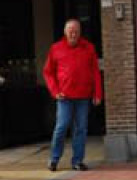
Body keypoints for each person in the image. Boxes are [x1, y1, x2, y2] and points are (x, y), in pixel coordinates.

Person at [43, 19, 103, 171]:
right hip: (64, 97)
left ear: (80, 32)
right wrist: (55, 91)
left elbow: (95, 72)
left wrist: (98, 93)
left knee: (81, 129)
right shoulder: (56, 49)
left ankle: (77, 161)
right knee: (61, 127)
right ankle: (54, 159)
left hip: (83, 96)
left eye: (76, 31)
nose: (73, 34)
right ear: (65, 32)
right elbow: (48, 72)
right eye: (70, 31)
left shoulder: (89, 48)